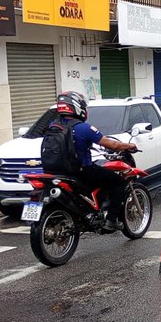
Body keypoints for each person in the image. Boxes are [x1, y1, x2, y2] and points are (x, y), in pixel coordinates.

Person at [54, 91, 138, 231]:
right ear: (77, 107)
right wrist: (128, 146)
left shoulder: (54, 126)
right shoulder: (83, 128)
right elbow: (113, 145)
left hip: (57, 172)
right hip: (81, 172)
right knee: (118, 182)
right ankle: (111, 221)